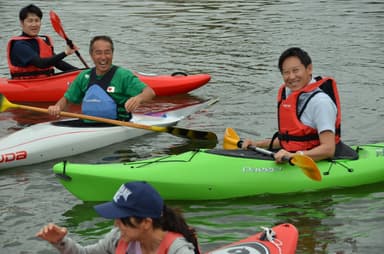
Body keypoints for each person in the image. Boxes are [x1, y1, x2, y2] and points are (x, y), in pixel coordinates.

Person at [242, 47, 358, 162]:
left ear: (309, 69)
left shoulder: (321, 103)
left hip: (324, 159)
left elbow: (328, 149)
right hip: (294, 154)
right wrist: (258, 144)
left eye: (296, 70)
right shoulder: (290, 94)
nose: (291, 77)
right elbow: (292, 140)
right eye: (286, 72)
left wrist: (295, 156)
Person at [36, 181, 200, 254]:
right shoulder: (117, 238)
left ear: (145, 223)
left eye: (122, 218)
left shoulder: (178, 250)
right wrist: (60, 241)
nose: (116, 223)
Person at [47, 35, 155, 121]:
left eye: (107, 52)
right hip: (87, 125)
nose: (103, 57)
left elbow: (149, 92)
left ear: (112, 53)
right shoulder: (83, 77)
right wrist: (57, 107)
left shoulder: (123, 75)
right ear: (91, 55)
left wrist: (138, 98)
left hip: (117, 124)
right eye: (98, 53)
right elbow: (67, 99)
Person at [7, 4, 79, 79]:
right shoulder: (20, 45)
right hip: (26, 84)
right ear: (22, 23)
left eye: (37, 20)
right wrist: (65, 53)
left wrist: (81, 72)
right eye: (30, 21)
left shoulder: (42, 42)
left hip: (44, 80)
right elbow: (41, 63)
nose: (34, 24)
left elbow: (58, 63)